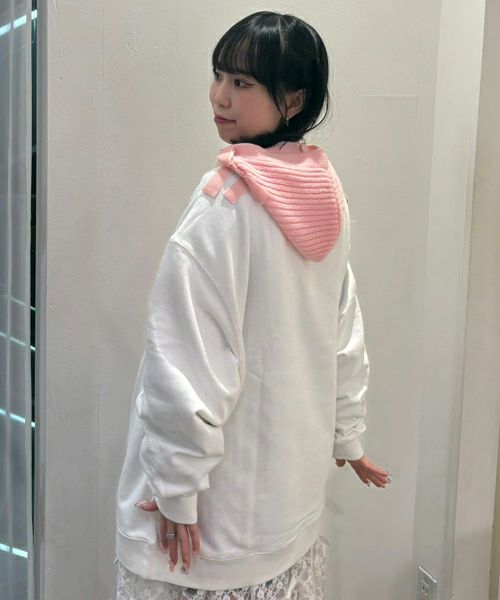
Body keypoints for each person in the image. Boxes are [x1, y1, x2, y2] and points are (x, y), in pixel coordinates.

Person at [114, 10, 391, 600]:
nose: (219, 96)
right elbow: (343, 328)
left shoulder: (226, 205)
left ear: (293, 100)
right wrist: (347, 433)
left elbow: (185, 358)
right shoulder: (325, 192)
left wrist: (176, 487)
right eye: (218, 75)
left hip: (216, 515)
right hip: (288, 503)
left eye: (242, 83)